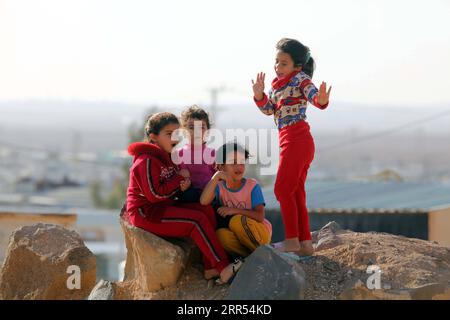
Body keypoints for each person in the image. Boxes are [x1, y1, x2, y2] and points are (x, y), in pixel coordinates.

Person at [123, 112, 242, 284]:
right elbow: (154, 195)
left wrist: (181, 186)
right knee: (196, 221)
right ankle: (223, 267)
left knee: (205, 209)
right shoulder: (146, 160)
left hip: (164, 208)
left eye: (177, 133)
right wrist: (179, 179)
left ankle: (210, 268)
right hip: (147, 213)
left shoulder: (168, 157)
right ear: (153, 137)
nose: (175, 137)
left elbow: (171, 188)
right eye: (169, 134)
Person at [251, 38, 332, 256]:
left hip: (297, 139)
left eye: (283, 63)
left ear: (297, 66)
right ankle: (305, 244)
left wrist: (321, 100)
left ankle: (292, 240)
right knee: (295, 193)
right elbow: (270, 110)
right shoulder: (278, 86)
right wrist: (259, 95)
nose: (278, 67)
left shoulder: (300, 79)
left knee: (281, 189)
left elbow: (314, 96)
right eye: (276, 62)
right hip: (291, 140)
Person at [200, 142, 272, 258]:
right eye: (233, 163)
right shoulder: (219, 187)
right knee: (221, 235)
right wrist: (216, 176)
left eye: (241, 162)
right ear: (221, 166)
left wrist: (233, 210)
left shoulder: (252, 186)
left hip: (260, 233)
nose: (239, 167)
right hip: (240, 238)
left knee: (236, 221)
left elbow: (260, 216)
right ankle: (248, 258)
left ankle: (265, 254)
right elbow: (203, 201)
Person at [175, 105, 216, 203]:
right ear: (184, 131)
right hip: (188, 196)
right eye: (191, 127)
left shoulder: (213, 154)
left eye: (201, 127)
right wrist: (180, 177)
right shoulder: (178, 154)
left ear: (207, 131)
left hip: (210, 198)